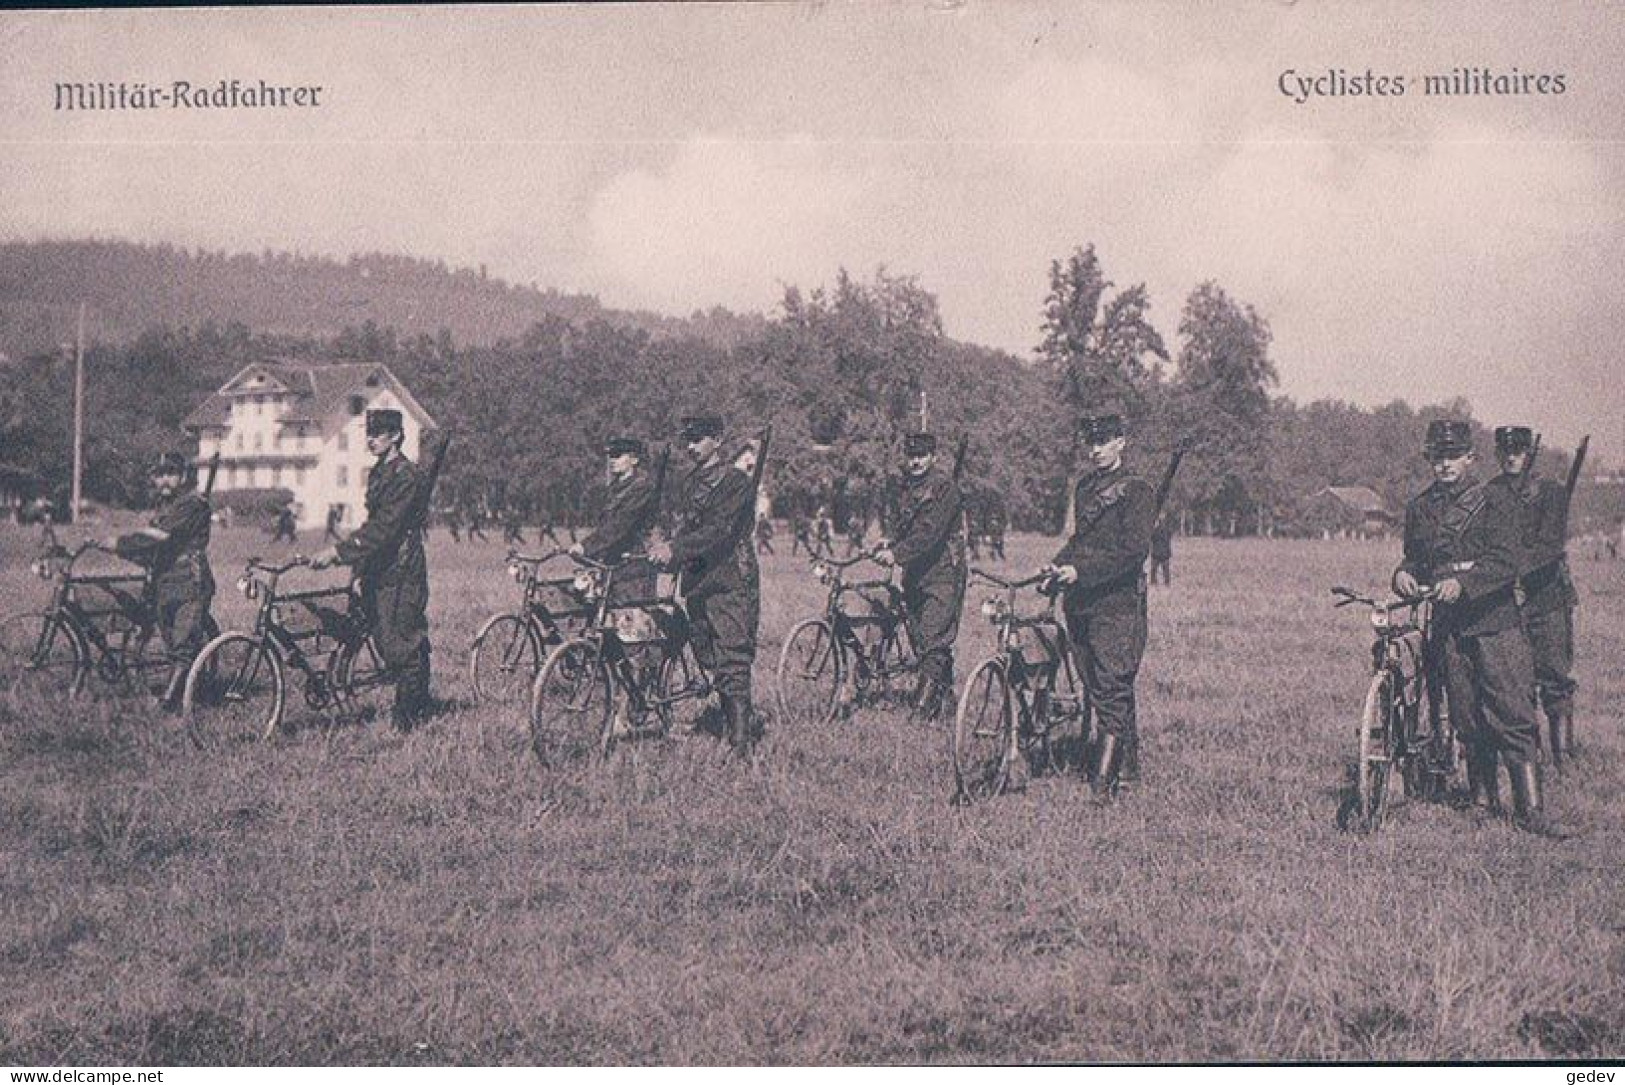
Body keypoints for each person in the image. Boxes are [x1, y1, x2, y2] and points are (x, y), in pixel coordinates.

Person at [1394, 419, 1560, 836]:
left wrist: (1464, 583)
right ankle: (1483, 801)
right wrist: (1402, 574)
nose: (1445, 464)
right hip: (1449, 626)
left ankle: (1531, 810)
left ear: (1470, 457)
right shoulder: (1419, 508)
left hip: (1494, 621)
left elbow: (1508, 561)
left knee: (1512, 713)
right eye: (1438, 456)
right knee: (1467, 716)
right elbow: (1415, 558)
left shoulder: (1494, 501)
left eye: (1454, 456)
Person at [1046, 413, 1155, 801]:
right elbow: (1081, 541)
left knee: (1112, 685)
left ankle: (1102, 785)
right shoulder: (1086, 487)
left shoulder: (1138, 491)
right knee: (1098, 686)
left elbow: (1132, 552)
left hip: (1118, 605)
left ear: (1121, 442)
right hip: (1081, 602)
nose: (1095, 449)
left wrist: (1081, 571)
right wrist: (1058, 566)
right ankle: (1128, 770)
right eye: (1091, 442)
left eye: (1104, 441)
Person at [311, 409, 433, 732]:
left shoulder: (407, 476)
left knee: (400, 644)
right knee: (380, 635)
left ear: (395, 436)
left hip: (402, 569)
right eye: (369, 433)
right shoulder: (380, 473)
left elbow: (385, 529)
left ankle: (408, 722)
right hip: (381, 565)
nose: (371, 439)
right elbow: (373, 526)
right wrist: (358, 572)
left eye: (378, 433)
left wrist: (339, 552)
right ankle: (413, 705)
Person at [649, 415, 762, 753]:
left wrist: (675, 549)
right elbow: (683, 527)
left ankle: (740, 743)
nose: (690, 447)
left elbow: (720, 531)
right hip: (698, 578)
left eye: (697, 440)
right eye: (687, 440)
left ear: (718, 440)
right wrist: (669, 558)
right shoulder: (688, 483)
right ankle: (733, 716)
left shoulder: (736, 483)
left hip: (730, 578)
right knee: (705, 649)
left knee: (732, 654)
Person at [1491, 425, 1579, 764]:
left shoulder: (1551, 492)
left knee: (1554, 676)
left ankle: (1563, 757)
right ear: (1498, 454)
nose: (1512, 457)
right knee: (1516, 681)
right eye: (1505, 452)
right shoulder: (1491, 493)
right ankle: (1529, 754)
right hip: (1505, 601)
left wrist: (1509, 569)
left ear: (1529, 453)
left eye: (1518, 451)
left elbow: (1550, 547)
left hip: (1547, 597)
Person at [108, 451, 216, 709]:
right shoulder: (166, 507)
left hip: (190, 582)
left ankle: (168, 703)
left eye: (170, 474)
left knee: (182, 645)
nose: (164, 480)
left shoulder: (193, 504)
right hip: (164, 582)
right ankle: (183, 692)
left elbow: (159, 536)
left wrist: (119, 544)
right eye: (159, 475)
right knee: (170, 642)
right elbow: (151, 544)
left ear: (183, 476)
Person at [876, 432, 966, 722]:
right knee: (920, 638)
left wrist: (897, 554)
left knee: (934, 637)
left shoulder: (945, 488)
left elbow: (930, 533)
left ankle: (921, 711)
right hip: (916, 572)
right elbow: (904, 526)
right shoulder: (906, 487)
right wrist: (889, 541)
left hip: (943, 572)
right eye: (911, 456)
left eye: (921, 456)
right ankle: (945, 699)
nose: (915, 462)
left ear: (933, 457)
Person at [1149, 515, 1174, 586]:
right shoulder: (1167, 531)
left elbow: (1152, 538)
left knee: (1155, 569)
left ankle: (1155, 582)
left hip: (1157, 553)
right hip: (1163, 553)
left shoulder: (1155, 531)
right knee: (1164, 570)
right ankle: (1166, 583)